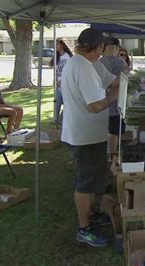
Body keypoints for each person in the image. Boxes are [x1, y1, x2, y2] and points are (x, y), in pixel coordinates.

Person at [61, 28, 120, 247]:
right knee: (85, 183)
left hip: (88, 134)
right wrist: (116, 96)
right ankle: (83, 228)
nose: (103, 53)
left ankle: (91, 214)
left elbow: (111, 81)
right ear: (97, 48)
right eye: (102, 49)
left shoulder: (87, 63)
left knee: (94, 177)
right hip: (83, 136)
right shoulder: (82, 67)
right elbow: (95, 105)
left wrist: (123, 83)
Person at [98, 37, 130, 153]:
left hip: (100, 104)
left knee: (106, 131)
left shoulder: (98, 62)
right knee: (114, 133)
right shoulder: (121, 62)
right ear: (117, 48)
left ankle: (106, 153)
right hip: (116, 104)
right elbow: (120, 83)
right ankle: (111, 155)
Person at [50, 38, 73, 126]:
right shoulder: (56, 57)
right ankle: (56, 121)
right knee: (57, 104)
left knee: (67, 104)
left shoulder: (68, 56)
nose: (55, 46)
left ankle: (63, 120)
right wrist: (55, 80)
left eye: (57, 44)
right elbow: (55, 70)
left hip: (67, 85)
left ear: (62, 45)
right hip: (59, 86)